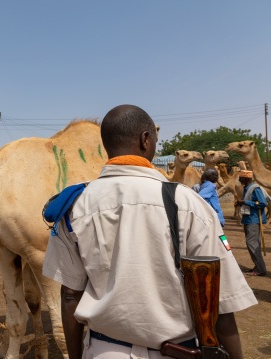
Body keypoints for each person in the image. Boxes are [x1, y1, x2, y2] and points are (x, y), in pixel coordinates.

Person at [42, 105, 257, 359]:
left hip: (102, 350)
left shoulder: (74, 206)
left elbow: (70, 294)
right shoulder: (189, 204)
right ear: (146, 140)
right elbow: (218, 302)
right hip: (178, 351)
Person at [236, 170, 267, 277]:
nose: (239, 179)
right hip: (248, 219)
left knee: (252, 244)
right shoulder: (247, 189)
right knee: (253, 244)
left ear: (246, 178)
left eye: (241, 177)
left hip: (254, 220)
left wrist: (245, 202)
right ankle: (257, 266)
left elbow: (262, 203)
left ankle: (261, 269)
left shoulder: (255, 189)